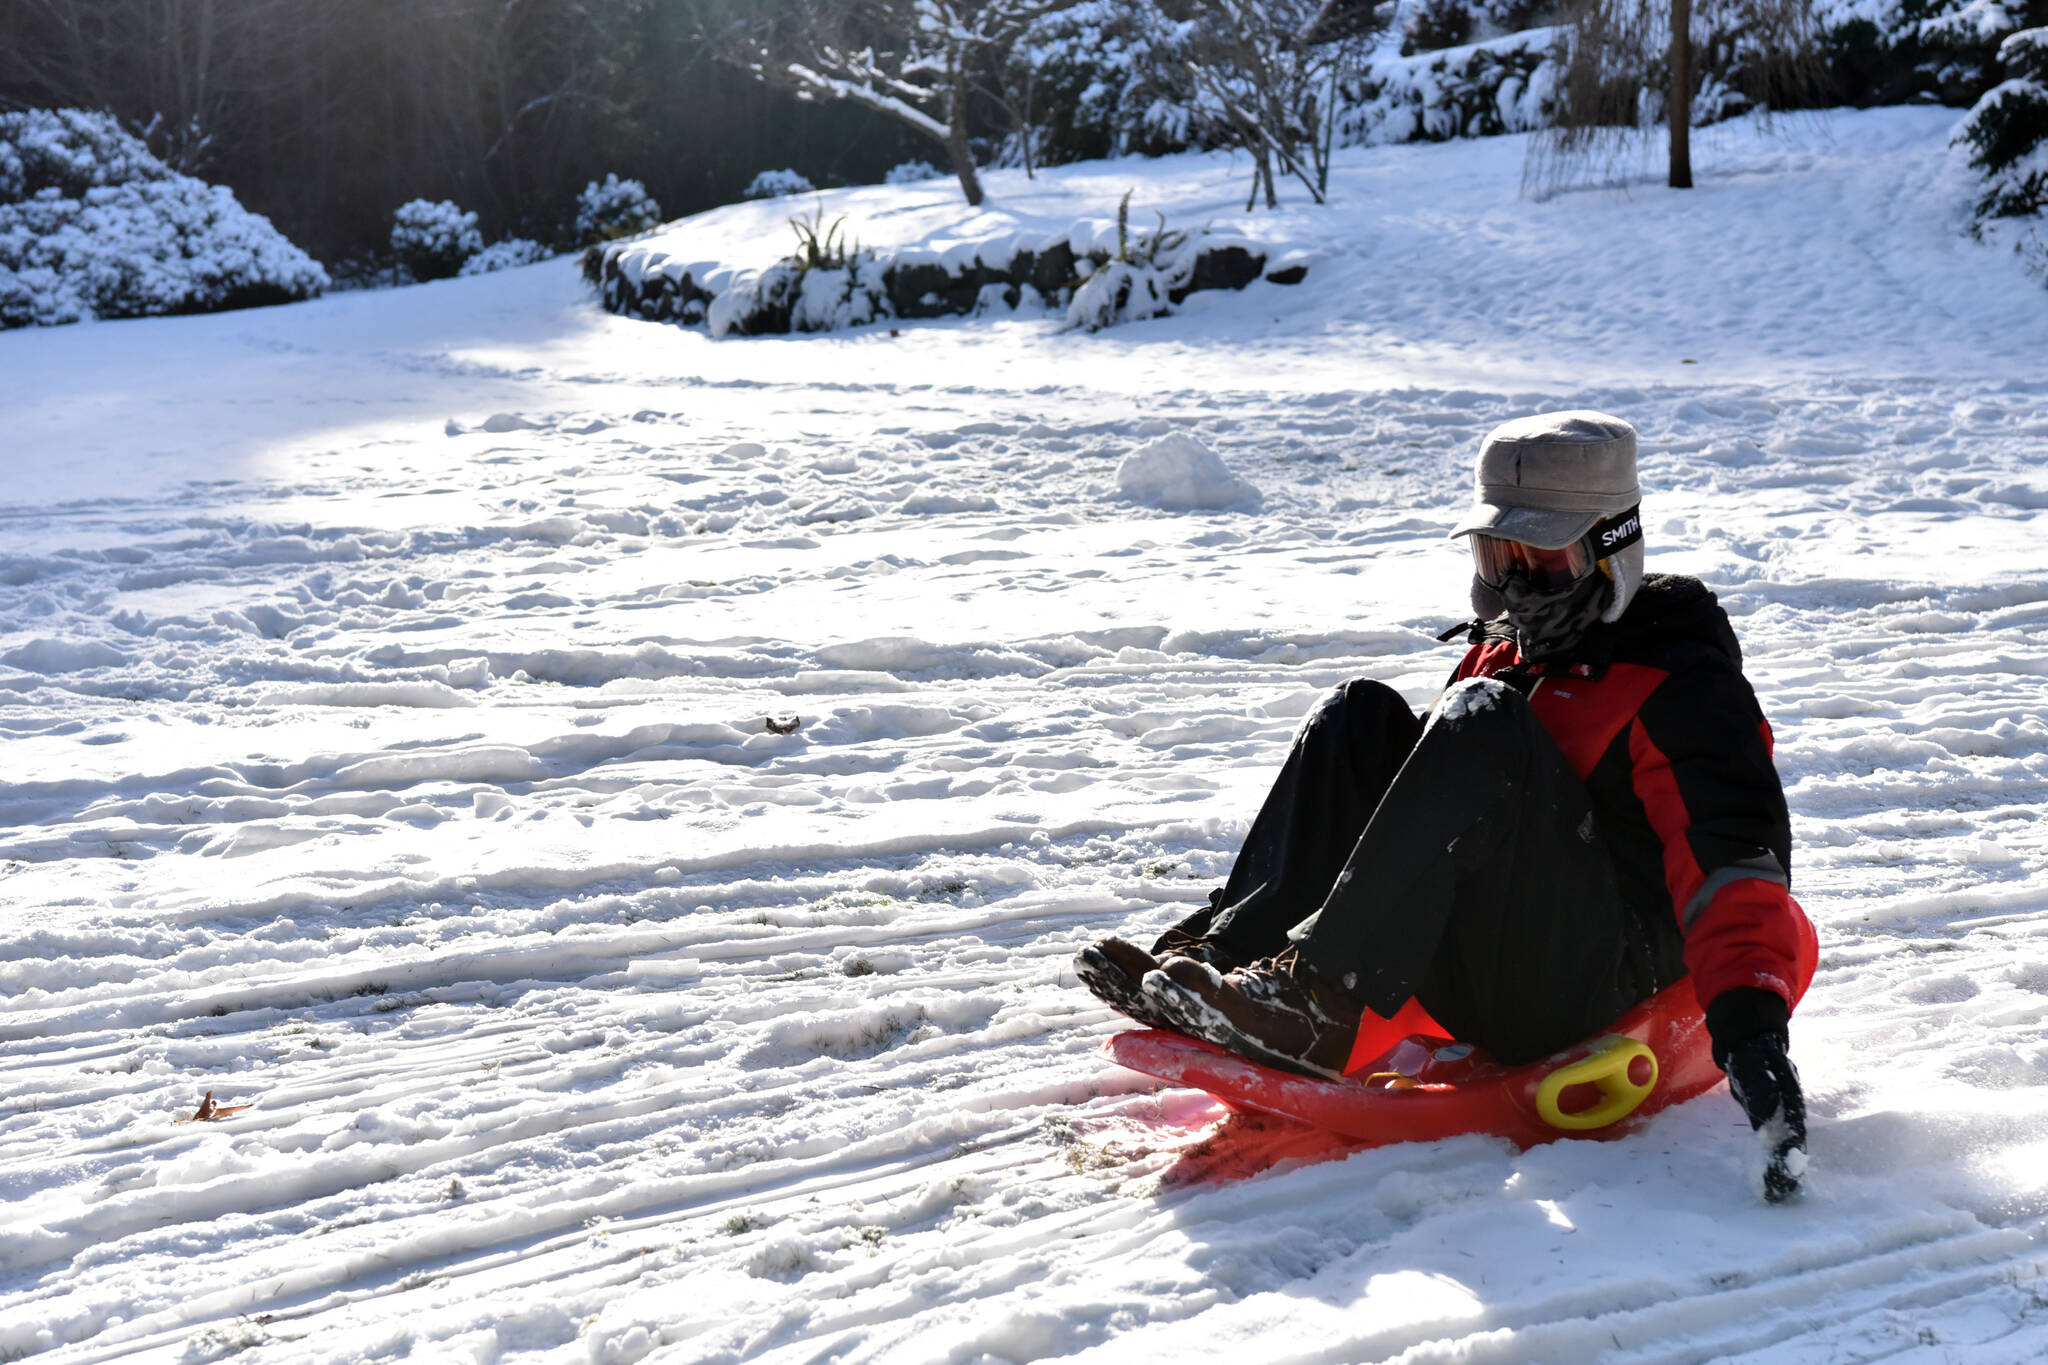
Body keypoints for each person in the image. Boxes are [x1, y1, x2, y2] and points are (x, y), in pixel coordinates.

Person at [1077, 411, 1818, 1201]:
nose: (1519, 584)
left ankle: (1323, 1002)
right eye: (1501, 556)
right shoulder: (1503, 647)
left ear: (1611, 549)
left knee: (1481, 717)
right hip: (1490, 954)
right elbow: (1426, 820)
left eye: (1544, 555)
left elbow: (1731, 862)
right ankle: (1232, 963)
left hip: (1594, 979)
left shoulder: (1683, 681)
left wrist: (1752, 1036)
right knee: (1358, 712)